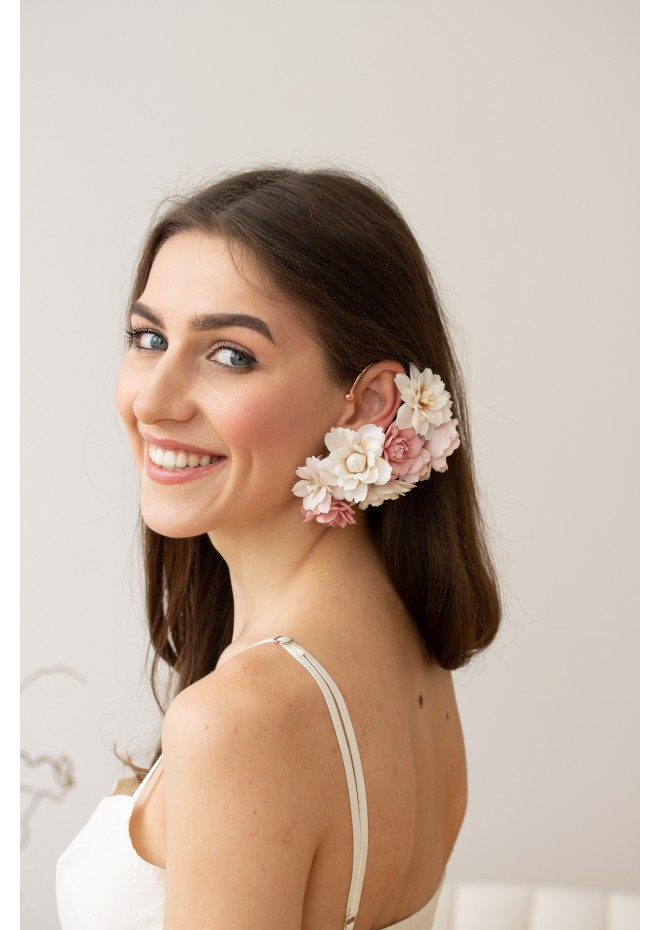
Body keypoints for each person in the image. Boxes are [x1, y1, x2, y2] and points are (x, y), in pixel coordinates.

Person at [56, 167, 501, 930]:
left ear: (367, 403)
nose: (153, 400)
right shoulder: (410, 652)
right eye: (148, 338)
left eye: (230, 355)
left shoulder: (238, 721)